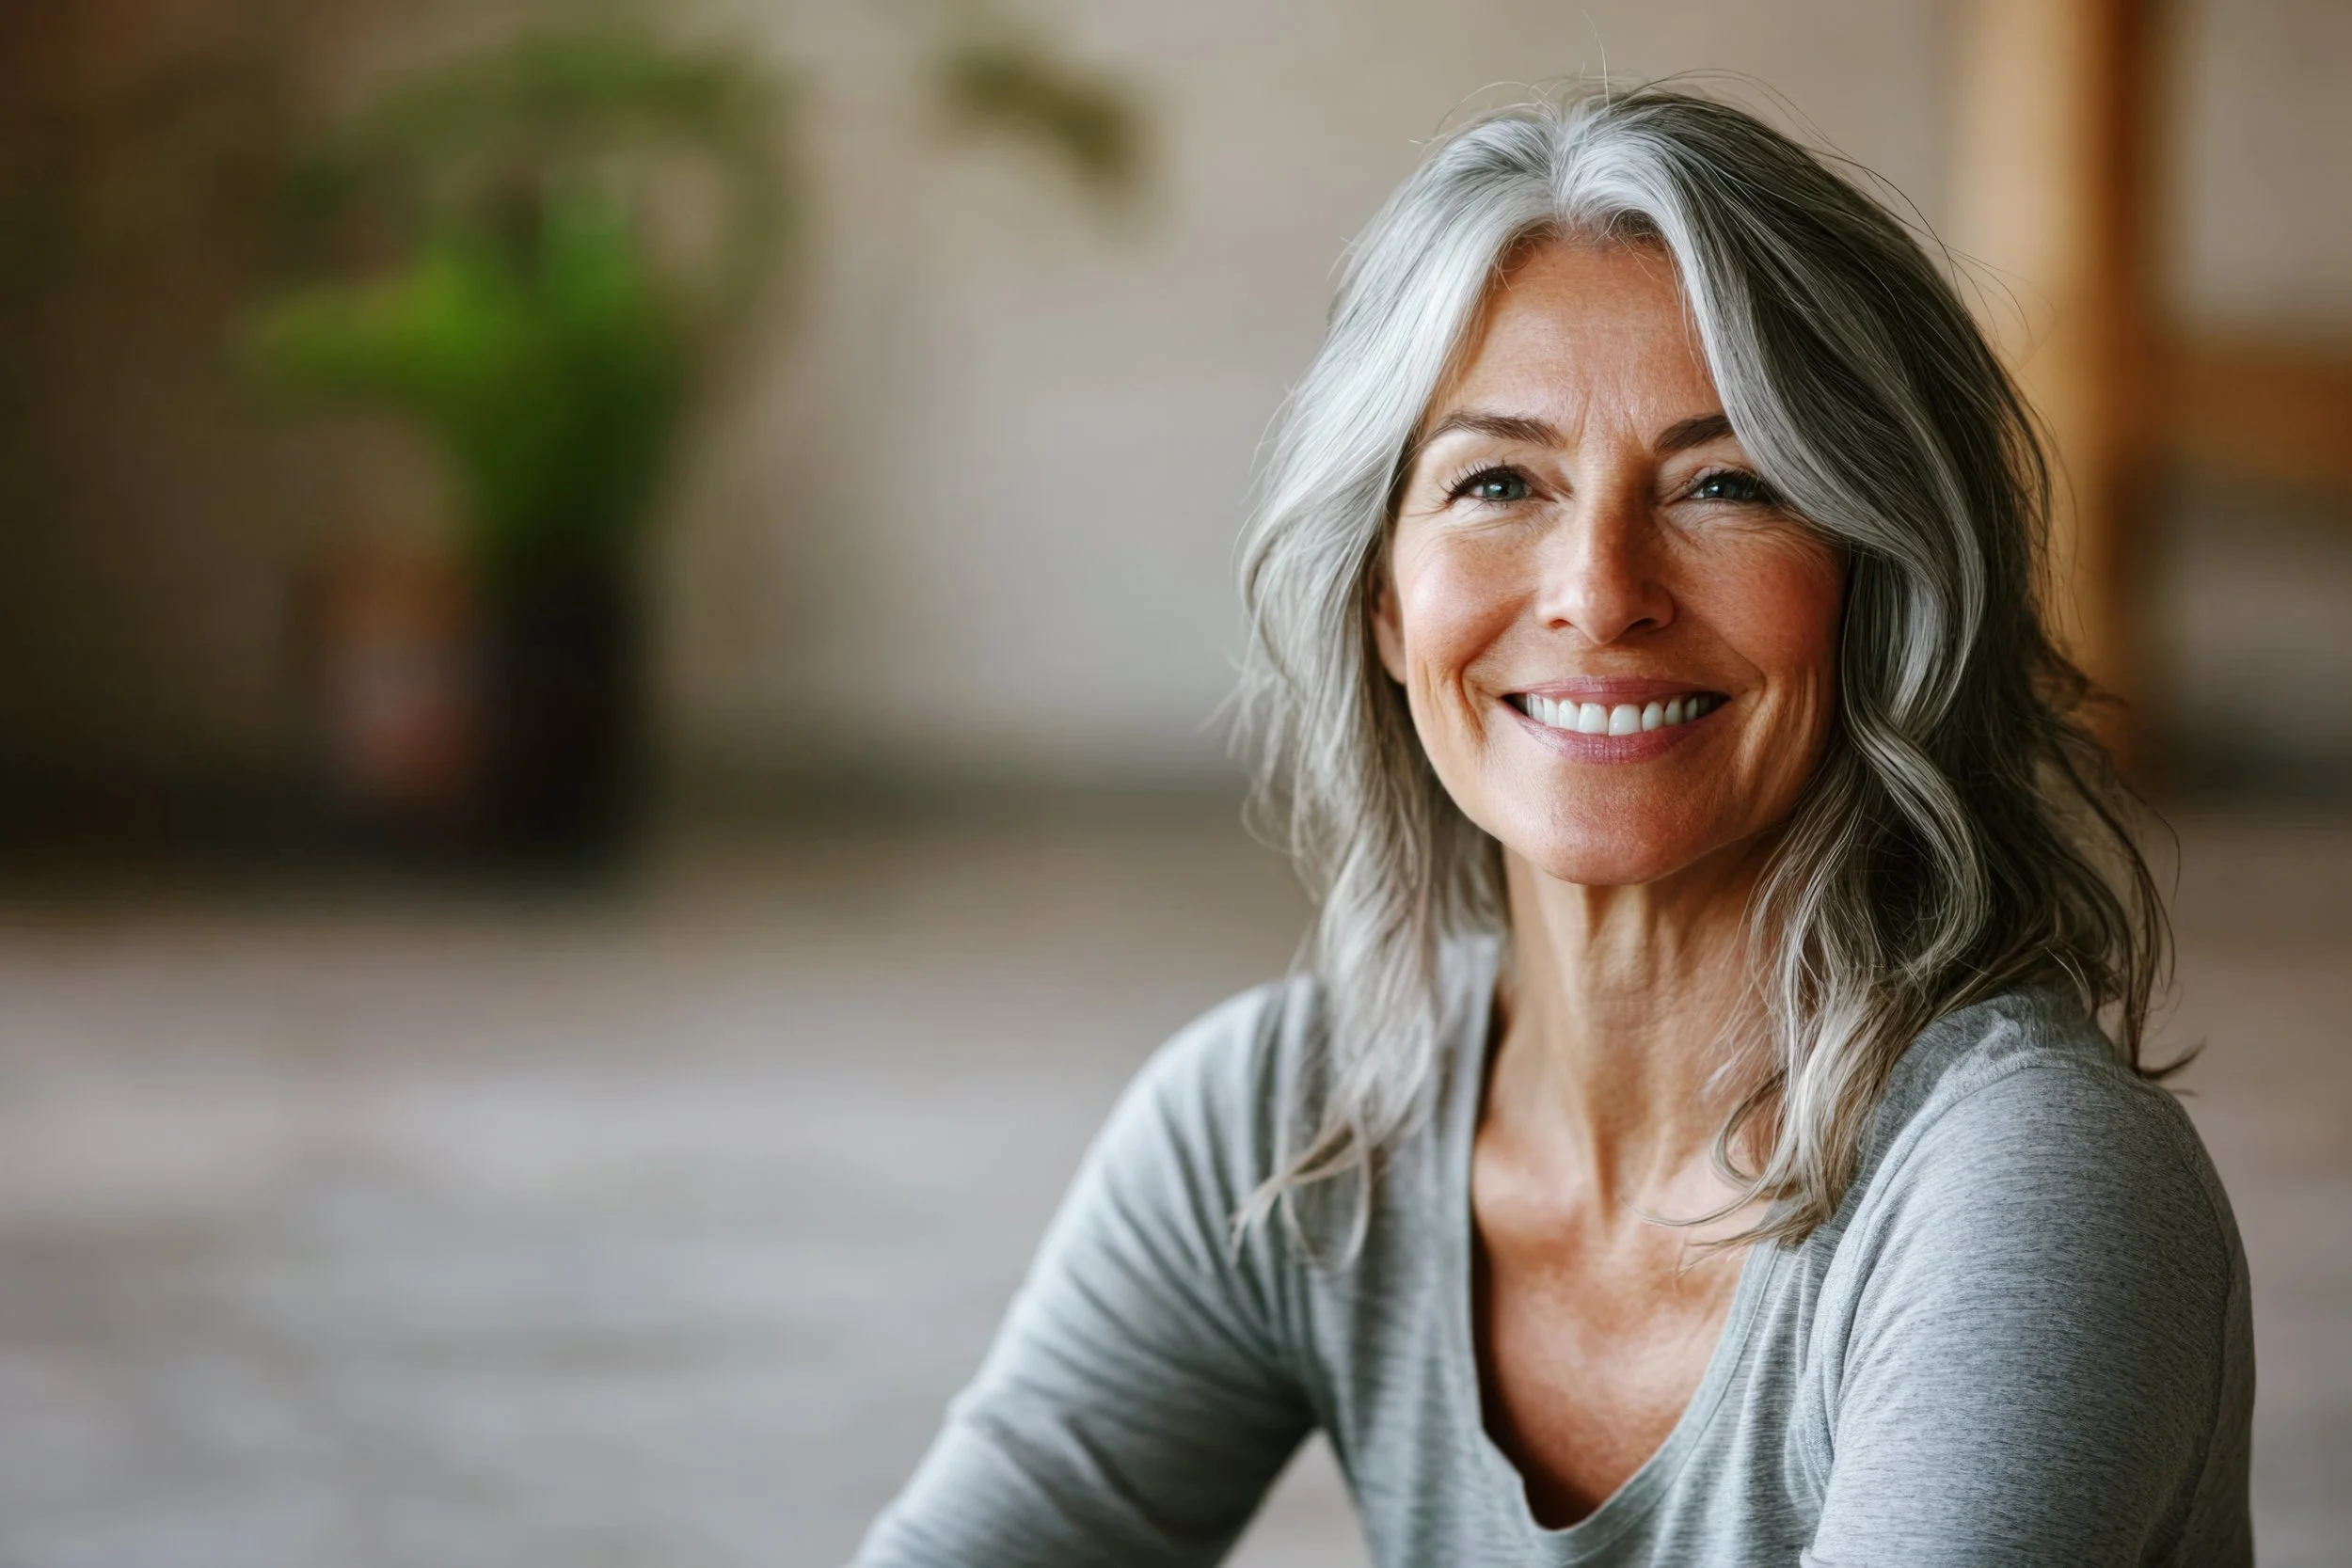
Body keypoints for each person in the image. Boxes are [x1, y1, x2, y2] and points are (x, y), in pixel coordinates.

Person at [853, 87, 2253, 1567]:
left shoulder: (2023, 1189)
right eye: (1498, 481)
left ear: (1880, 584)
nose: (1599, 590)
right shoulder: (1285, 1128)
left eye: (1727, 484)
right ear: (1386, 600)